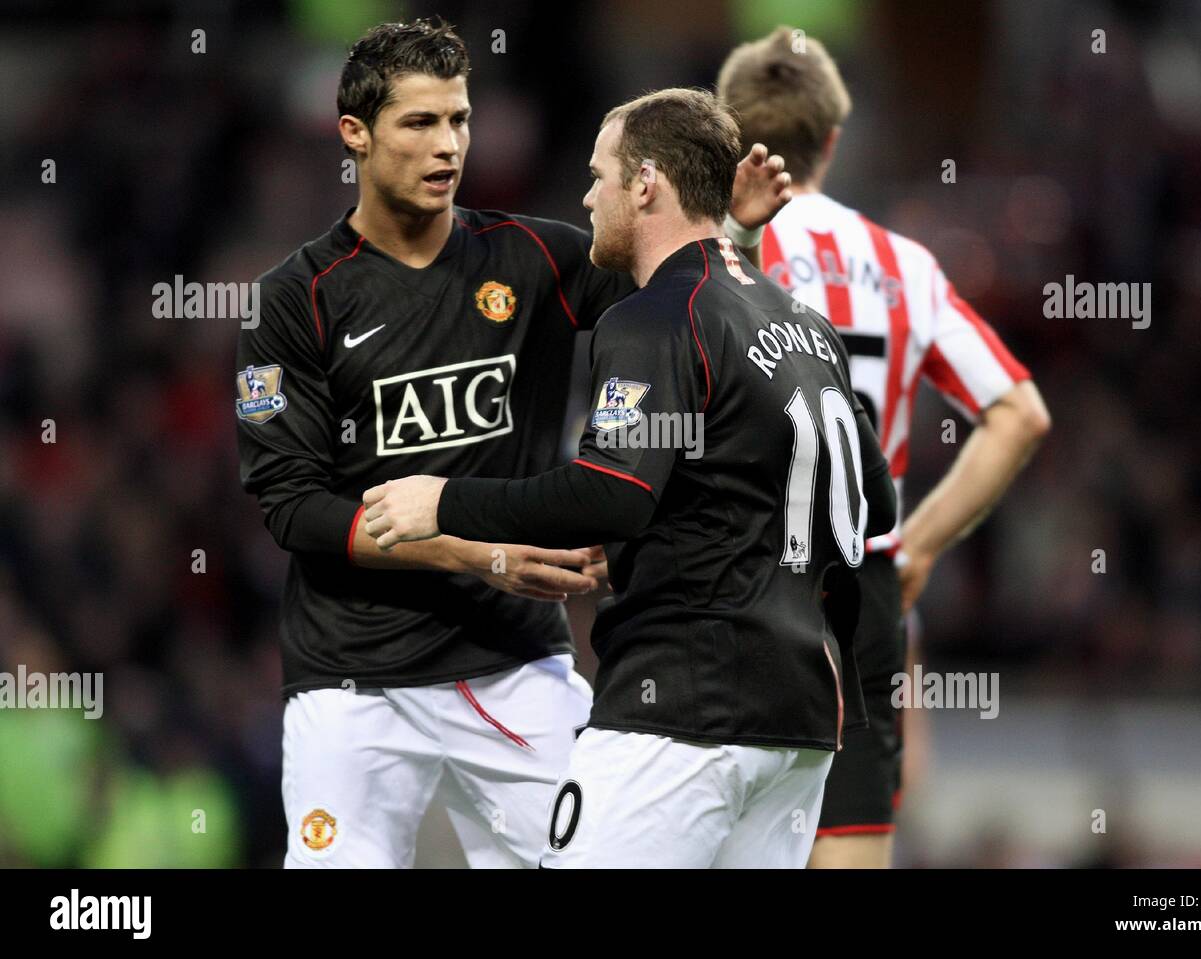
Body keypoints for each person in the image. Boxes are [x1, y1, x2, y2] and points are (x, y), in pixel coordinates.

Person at [236, 18, 789, 868]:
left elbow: (684, 299)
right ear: (354, 133)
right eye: (419, 123)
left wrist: (728, 234)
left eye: (459, 119)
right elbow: (295, 508)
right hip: (350, 680)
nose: (448, 144)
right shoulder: (294, 299)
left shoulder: (534, 257)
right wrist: (471, 552)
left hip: (513, 663)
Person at [361, 87, 898, 868]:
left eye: (599, 174)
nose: (587, 195)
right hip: (801, 724)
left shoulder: (651, 318)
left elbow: (613, 490)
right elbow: (869, 502)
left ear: (645, 183)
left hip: (681, 710)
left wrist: (442, 501)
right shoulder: (805, 323)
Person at [717, 26, 1051, 868]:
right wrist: (919, 548)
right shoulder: (904, 264)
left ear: (728, 132)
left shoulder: (707, 254)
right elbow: (1020, 413)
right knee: (851, 837)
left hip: (727, 583)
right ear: (833, 139)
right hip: (859, 590)